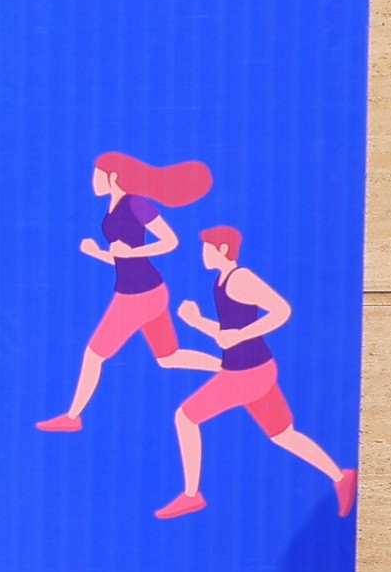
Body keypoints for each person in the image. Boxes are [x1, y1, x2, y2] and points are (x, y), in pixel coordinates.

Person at [159, 223, 359, 521]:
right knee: (283, 434)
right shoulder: (221, 282)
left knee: (185, 416)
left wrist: (241, 335)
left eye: (207, 247)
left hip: (245, 375)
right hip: (255, 370)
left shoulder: (241, 278)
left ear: (223, 249)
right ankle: (341, 476)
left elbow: (281, 310)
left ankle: (191, 495)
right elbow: (226, 334)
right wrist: (197, 321)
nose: (203, 253)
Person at [39, 153, 214, 429]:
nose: (93, 180)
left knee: (94, 354)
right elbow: (123, 259)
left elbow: (170, 241)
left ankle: (73, 417)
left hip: (138, 296)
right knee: (169, 357)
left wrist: (133, 251)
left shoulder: (136, 203)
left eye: (97, 174)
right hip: (147, 291)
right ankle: (228, 367)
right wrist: (98, 253)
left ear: (113, 177)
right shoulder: (114, 206)